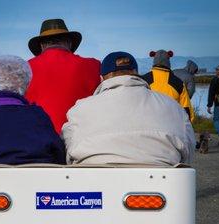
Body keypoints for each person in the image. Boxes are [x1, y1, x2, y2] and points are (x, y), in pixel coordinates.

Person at [62, 52, 195, 166]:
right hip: (161, 184)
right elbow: (188, 153)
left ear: (101, 78)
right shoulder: (173, 106)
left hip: (94, 185)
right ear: (137, 73)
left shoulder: (80, 109)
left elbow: (68, 152)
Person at [25, 18, 101, 133]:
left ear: (41, 45)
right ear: (69, 43)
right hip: (83, 138)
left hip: (38, 140)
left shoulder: (24, 69)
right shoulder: (94, 65)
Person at [142, 50, 194, 122]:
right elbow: (187, 110)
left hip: (147, 124)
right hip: (172, 126)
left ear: (154, 60)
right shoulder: (178, 83)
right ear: (168, 61)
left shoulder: (143, 80)